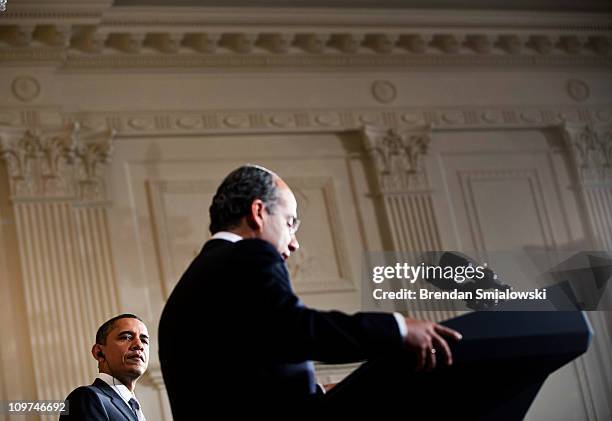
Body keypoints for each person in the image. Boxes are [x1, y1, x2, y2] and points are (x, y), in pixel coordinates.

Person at [158, 164, 462, 418]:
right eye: (290, 223)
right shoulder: (249, 255)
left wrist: (316, 391)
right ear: (258, 212)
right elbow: (295, 330)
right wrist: (398, 328)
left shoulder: (195, 281)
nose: (294, 242)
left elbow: (238, 372)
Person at [60, 314, 149, 421]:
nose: (139, 345)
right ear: (99, 353)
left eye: (144, 340)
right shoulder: (86, 398)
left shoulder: (136, 409)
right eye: (126, 337)